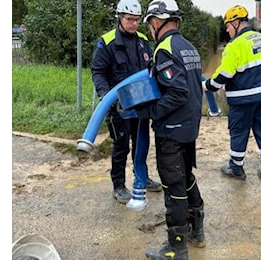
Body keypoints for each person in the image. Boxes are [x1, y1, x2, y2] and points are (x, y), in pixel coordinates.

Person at [137, 0, 206, 258]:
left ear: (157, 21)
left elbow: (177, 91)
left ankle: (177, 247)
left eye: (150, 24)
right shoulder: (188, 47)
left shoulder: (164, 49)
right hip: (189, 127)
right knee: (186, 177)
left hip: (172, 130)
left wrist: (152, 112)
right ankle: (197, 232)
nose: (150, 29)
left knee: (173, 187)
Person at [90, 0, 161, 205]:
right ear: (119, 17)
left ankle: (142, 177)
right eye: (130, 19)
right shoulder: (107, 42)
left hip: (141, 104)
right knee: (121, 146)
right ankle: (118, 185)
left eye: (137, 20)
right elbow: (98, 72)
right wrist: (106, 96)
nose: (134, 24)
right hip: (118, 107)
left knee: (141, 144)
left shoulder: (142, 40)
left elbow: (150, 69)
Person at [203, 5, 261, 186]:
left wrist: (208, 86)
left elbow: (224, 74)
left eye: (228, 26)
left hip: (243, 98)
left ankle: (236, 168)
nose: (228, 30)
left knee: (238, 131)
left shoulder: (234, 46)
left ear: (236, 23)